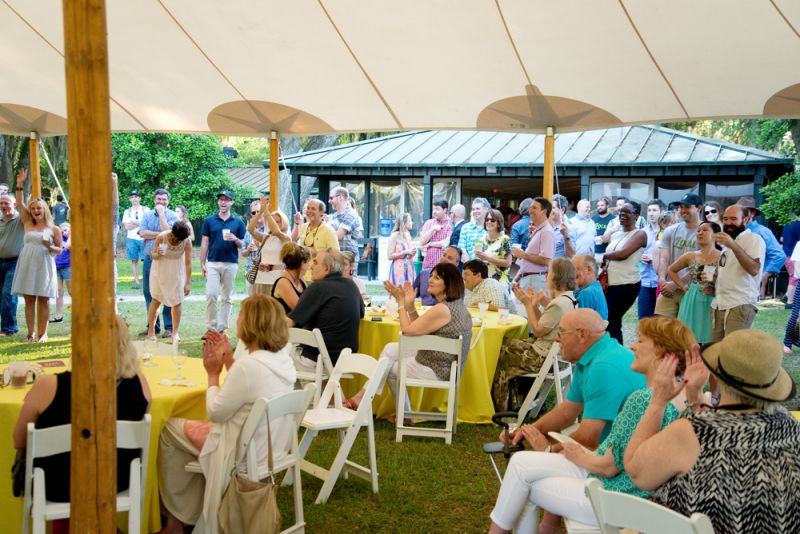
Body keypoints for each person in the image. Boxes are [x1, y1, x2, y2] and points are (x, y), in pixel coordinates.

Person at [488, 316, 693, 533]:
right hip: (626, 492)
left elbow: (610, 466)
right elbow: (570, 412)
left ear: (662, 354)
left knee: (525, 481)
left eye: (641, 341)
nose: (632, 345)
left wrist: (568, 454)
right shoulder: (678, 396)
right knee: (522, 467)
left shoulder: (644, 399)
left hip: (615, 496)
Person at [625, 329, 800, 533]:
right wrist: (695, 395)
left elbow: (636, 472)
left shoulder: (693, 431)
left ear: (717, 372)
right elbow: (730, 426)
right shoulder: (790, 425)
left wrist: (658, 401)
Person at [157, 295, 297, 533]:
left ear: (251, 324)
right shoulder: (282, 360)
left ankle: (176, 521)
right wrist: (229, 358)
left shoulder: (248, 367)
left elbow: (215, 413)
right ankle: (188, 512)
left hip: (236, 451)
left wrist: (213, 373)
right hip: (269, 447)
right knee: (185, 433)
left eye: (241, 316)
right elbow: (251, 384)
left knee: (167, 428)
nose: (237, 320)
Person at [13, 316, 150, 519]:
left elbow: (19, 440)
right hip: (116, 482)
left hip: (58, 487)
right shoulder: (140, 384)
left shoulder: (48, 385)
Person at [499, 308, 645, 455]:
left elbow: (588, 439)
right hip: (618, 453)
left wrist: (548, 450)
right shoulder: (599, 354)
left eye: (561, 332)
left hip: (625, 461)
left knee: (522, 464)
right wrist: (527, 431)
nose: (557, 338)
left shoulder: (602, 368)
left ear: (582, 334)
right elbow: (566, 412)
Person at [344, 263, 471, 413]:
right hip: (441, 361)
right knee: (390, 350)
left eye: (436, 278)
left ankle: (401, 413)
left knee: (389, 368)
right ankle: (365, 398)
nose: (430, 280)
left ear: (448, 284)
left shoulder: (442, 309)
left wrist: (401, 302)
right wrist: (410, 306)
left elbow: (407, 331)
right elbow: (419, 328)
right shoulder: (452, 305)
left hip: (437, 368)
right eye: (431, 276)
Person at [492, 258, 577, 411]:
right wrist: (533, 304)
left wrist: (526, 304)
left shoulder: (558, 304)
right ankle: (515, 401)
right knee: (504, 344)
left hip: (541, 357)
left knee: (499, 350)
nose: (546, 276)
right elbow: (545, 324)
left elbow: (538, 330)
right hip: (548, 353)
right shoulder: (568, 299)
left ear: (556, 277)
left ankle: (502, 406)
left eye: (549, 273)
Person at [287, 249, 364, 369]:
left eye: (316, 263)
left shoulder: (318, 288)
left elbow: (290, 322)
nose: (311, 266)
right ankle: (319, 388)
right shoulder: (352, 286)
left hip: (318, 359)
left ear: (327, 269)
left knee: (272, 356)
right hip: (345, 360)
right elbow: (362, 313)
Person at [12, 168, 62, 342]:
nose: (35, 211)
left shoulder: (54, 228)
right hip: (27, 261)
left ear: (44, 209)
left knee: (44, 300)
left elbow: (60, 249)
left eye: (38, 208)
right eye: (32, 208)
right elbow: (18, 203)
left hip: (45, 263)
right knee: (29, 300)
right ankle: (30, 333)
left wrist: (49, 246)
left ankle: (43, 333)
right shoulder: (27, 222)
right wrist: (19, 183)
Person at [709, 204, 765, 341]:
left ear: (745, 219)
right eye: (726, 219)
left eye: (733, 219)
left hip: (740, 305)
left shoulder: (753, 239)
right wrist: (713, 281)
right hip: (719, 304)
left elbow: (754, 269)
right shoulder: (727, 243)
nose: (728, 223)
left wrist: (732, 245)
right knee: (715, 352)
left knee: (733, 353)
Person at [200, 190, 246, 333]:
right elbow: (204, 243)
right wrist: (202, 263)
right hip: (213, 262)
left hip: (231, 263)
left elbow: (243, 245)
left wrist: (235, 239)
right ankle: (211, 328)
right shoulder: (209, 220)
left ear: (232, 202)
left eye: (226, 199)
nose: (223, 202)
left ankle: (222, 328)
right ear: (218, 202)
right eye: (221, 199)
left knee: (226, 297)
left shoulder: (238, 222)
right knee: (211, 295)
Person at [668, 221, 722, 344]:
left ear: (716, 235)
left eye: (705, 230)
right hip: (692, 298)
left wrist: (716, 283)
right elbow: (671, 270)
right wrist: (683, 286)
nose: (700, 233)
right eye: (698, 230)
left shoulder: (723, 256)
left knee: (711, 338)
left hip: (714, 298)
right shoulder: (690, 256)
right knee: (689, 339)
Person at [601, 202, 646, 344]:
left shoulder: (640, 234)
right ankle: (610, 352)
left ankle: (617, 355)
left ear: (637, 216)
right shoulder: (616, 234)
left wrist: (603, 256)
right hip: (610, 283)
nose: (622, 214)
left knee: (612, 320)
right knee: (608, 320)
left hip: (626, 284)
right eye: (620, 211)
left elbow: (622, 254)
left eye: (627, 212)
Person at [138, 188, 179, 337]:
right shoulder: (147, 215)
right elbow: (142, 233)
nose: (161, 202)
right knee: (149, 292)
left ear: (168, 201)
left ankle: (169, 327)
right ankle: (153, 326)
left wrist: (162, 215)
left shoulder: (173, 216)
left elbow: (170, 234)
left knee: (167, 292)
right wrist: (161, 235)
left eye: (164, 199)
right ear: (154, 200)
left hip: (167, 261)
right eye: (159, 199)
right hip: (150, 260)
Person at [654, 193, 702, 317]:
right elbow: (664, 258)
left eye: (687, 207)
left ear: (698, 208)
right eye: (681, 207)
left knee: (686, 330)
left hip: (693, 289)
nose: (683, 210)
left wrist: (676, 283)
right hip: (668, 289)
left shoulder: (706, 231)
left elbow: (702, 264)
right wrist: (662, 279)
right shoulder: (671, 230)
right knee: (660, 326)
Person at [146, 221, 192, 342]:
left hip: (176, 273)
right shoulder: (162, 237)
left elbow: (188, 263)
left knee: (177, 302)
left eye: (180, 240)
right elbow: (153, 256)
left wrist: (187, 283)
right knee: (156, 301)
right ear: (172, 233)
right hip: (160, 272)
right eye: (176, 238)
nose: (178, 242)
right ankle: (151, 330)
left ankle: (175, 333)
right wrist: (158, 254)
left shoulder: (186, 241)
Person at [737, 196, 786, 299]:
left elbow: (779, 255)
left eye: (746, 211)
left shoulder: (762, 232)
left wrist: (764, 275)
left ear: (753, 213)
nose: (742, 214)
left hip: (752, 284)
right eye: (739, 210)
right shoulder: (733, 231)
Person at [246, 196, 291, 296]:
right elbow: (250, 229)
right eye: (272, 220)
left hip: (277, 279)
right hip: (261, 278)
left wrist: (266, 210)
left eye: (277, 221)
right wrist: (261, 212)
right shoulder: (265, 237)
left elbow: (276, 231)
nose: (274, 223)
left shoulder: (285, 238)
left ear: (283, 222)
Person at [511, 197, 555, 293]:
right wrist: (518, 278)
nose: (530, 210)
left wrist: (522, 254)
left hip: (535, 280)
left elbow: (546, 260)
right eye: (530, 207)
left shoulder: (546, 231)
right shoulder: (540, 230)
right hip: (531, 279)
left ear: (544, 212)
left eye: (534, 208)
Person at [295, 199, 339, 281]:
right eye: (308, 208)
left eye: (313, 209)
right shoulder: (304, 227)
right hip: (302, 276)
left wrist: (316, 253)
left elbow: (336, 256)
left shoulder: (328, 230)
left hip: (319, 278)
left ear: (321, 212)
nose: (309, 211)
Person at [0, 191, 25, 336]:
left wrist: (20, 186)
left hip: (14, 262)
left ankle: (9, 328)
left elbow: (24, 207)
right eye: (1, 203)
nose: (3, 206)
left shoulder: (20, 219)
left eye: (6, 203)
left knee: (8, 294)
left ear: (14, 205)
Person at [638, 199, 665, 319]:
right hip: (645, 281)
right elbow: (636, 253)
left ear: (661, 212)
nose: (651, 213)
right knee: (644, 320)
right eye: (649, 210)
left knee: (660, 321)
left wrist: (654, 259)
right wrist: (640, 257)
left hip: (661, 282)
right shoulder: (642, 232)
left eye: (654, 210)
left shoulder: (667, 232)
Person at [475, 208, 512, 284]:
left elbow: (508, 263)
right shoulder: (481, 240)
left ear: (498, 223)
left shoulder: (504, 239)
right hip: (483, 281)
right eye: (487, 219)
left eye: (492, 220)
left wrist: (487, 258)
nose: (489, 222)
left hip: (500, 282)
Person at [271, 242, 309, 313]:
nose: (309, 266)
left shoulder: (301, 279)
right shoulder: (283, 283)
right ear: (301, 263)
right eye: (307, 262)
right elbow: (301, 311)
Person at [328, 186, 361, 270]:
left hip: (347, 260)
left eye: (331, 198)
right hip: (336, 257)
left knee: (349, 282)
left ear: (340, 197)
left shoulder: (351, 214)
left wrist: (326, 225)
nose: (329, 201)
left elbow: (338, 236)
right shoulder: (334, 216)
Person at [122, 190, 149, 289]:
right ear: (130, 199)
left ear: (139, 198)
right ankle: (136, 282)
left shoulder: (145, 209)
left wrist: (132, 221)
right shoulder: (127, 211)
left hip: (143, 238)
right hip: (131, 238)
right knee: (134, 260)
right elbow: (127, 227)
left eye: (136, 196)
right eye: (132, 197)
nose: (134, 198)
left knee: (146, 260)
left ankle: (147, 281)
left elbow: (147, 224)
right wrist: (140, 223)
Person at [571, 254, 608, 320]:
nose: (571, 273)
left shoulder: (586, 293)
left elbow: (579, 324)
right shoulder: (596, 287)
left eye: (575, 268)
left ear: (588, 269)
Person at [241, 199, 264, 296]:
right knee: (252, 301)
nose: (256, 214)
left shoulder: (269, 229)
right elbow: (243, 253)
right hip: (251, 270)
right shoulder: (248, 231)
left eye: (259, 211)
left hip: (265, 270)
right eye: (254, 212)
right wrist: (248, 250)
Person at [419, 200, 451, 269]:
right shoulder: (429, 223)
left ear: (445, 210)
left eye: (437, 209)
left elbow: (446, 243)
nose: (434, 212)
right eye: (433, 209)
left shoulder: (450, 224)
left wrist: (430, 244)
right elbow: (422, 242)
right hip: (428, 264)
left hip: (444, 266)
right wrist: (432, 229)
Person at [388, 212, 417, 285]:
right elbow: (389, 256)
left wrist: (413, 252)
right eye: (410, 220)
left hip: (410, 268)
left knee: (410, 293)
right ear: (404, 223)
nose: (412, 223)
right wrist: (406, 252)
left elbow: (410, 253)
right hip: (398, 269)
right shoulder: (394, 236)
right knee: (399, 293)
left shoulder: (408, 235)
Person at [458, 197, 490, 262]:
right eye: (473, 209)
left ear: (486, 209)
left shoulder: (493, 227)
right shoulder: (466, 227)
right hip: (469, 267)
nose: (475, 211)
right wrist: (470, 266)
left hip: (490, 268)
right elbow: (462, 249)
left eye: (478, 209)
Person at [51, 223, 71, 324]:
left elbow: (68, 247)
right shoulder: (58, 239)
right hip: (57, 267)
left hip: (68, 267)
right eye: (61, 231)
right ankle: (58, 316)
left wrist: (70, 236)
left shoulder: (72, 239)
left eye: (65, 230)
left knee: (71, 291)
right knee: (59, 292)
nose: (63, 232)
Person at [781, 214, 800, 308]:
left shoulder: (787, 224)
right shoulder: (798, 224)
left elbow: (782, 239)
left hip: (786, 254)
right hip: (793, 255)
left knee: (792, 277)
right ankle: (789, 302)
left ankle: (787, 296)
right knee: (795, 278)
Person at [551, 194, 576, 259]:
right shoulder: (548, 226)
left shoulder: (569, 227)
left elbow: (571, 255)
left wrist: (566, 236)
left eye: (553, 208)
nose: (549, 210)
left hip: (558, 268)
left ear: (562, 210)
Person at [592, 197, 614, 263]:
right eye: (598, 206)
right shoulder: (594, 218)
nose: (599, 207)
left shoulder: (613, 219)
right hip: (594, 251)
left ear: (607, 206)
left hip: (606, 252)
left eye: (602, 205)